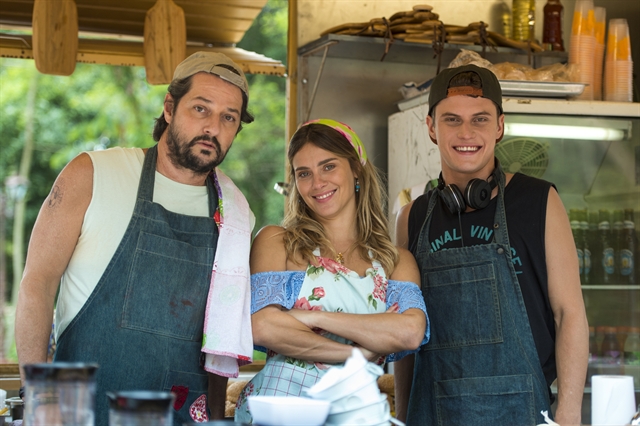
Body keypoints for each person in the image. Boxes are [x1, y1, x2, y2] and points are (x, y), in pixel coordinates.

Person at [15, 51, 257, 425]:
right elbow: (37, 284)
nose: (213, 127)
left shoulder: (236, 213)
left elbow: (220, 338)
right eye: (200, 109)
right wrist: (42, 398)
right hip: (82, 413)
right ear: (170, 107)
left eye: (229, 117)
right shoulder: (92, 174)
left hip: (183, 416)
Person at [394, 64, 589, 425]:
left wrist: (569, 414)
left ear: (499, 126)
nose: (466, 132)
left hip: (526, 413)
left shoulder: (540, 201)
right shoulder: (411, 218)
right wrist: (402, 415)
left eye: (480, 119)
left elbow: (570, 314)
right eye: (451, 120)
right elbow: (403, 335)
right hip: (433, 412)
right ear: (432, 128)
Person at [234, 119, 430, 423]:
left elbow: (410, 333)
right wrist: (356, 354)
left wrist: (312, 317)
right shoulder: (277, 241)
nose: (317, 183)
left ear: (355, 169)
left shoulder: (394, 261)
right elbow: (262, 327)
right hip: (279, 410)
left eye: (328, 166)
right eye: (304, 173)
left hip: (354, 414)